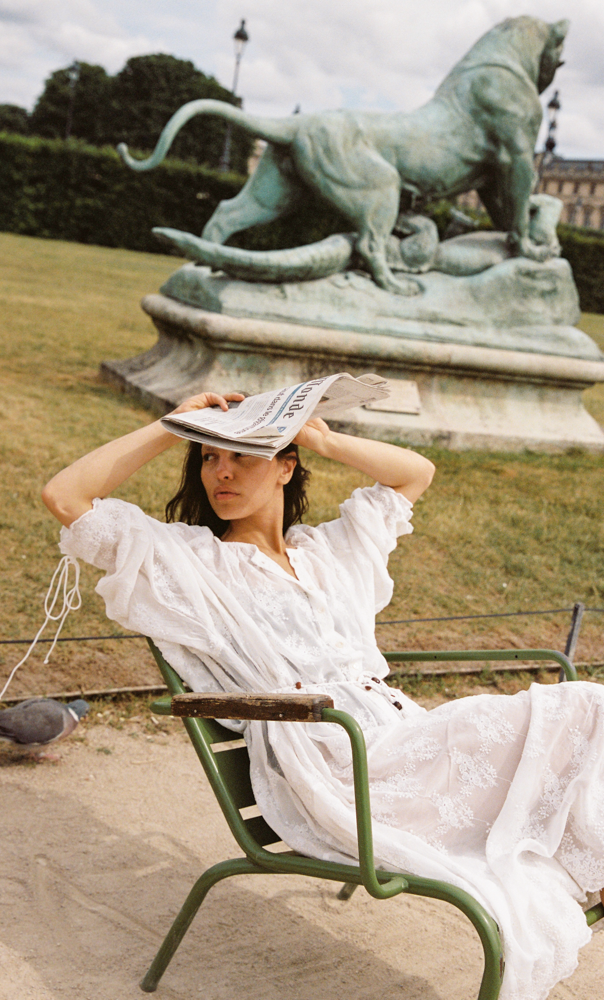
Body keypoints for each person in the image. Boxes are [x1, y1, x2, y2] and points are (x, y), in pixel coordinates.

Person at [42, 392, 604, 1000]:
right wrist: (171, 426)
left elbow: (415, 472)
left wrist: (322, 439)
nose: (221, 473)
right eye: (207, 458)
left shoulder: (330, 554)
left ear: (286, 465)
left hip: (399, 737)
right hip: (338, 760)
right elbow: (65, 497)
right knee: (587, 704)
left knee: (586, 711)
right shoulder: (191, 564)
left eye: (243, 456)